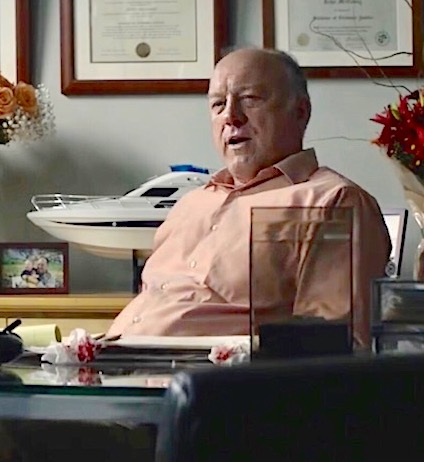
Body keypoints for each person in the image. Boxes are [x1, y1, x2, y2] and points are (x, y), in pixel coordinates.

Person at [107, 47, 391, 347]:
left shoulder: (332, 201)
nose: (231, 117)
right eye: (218, 104)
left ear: (300, 112)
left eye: (250, 99)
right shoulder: (191, 204)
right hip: (109, 359)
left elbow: (331, 347)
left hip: (208, 373)